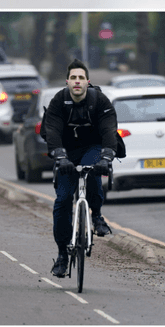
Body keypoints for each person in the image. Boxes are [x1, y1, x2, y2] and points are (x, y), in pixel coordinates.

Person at [43, 59, 119, 278]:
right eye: (73, 78)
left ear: (88, 82)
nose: (77, 82)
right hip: (66, 151)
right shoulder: (59, 101)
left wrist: (106, 158)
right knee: (63, 200)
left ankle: (97, 216)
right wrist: (60, 156)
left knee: (93, 171)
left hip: (92, 147)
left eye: (81, 78)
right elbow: (52, 131)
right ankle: (62, 255)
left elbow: (109, 130)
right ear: (68, 81)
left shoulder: (100, 100)